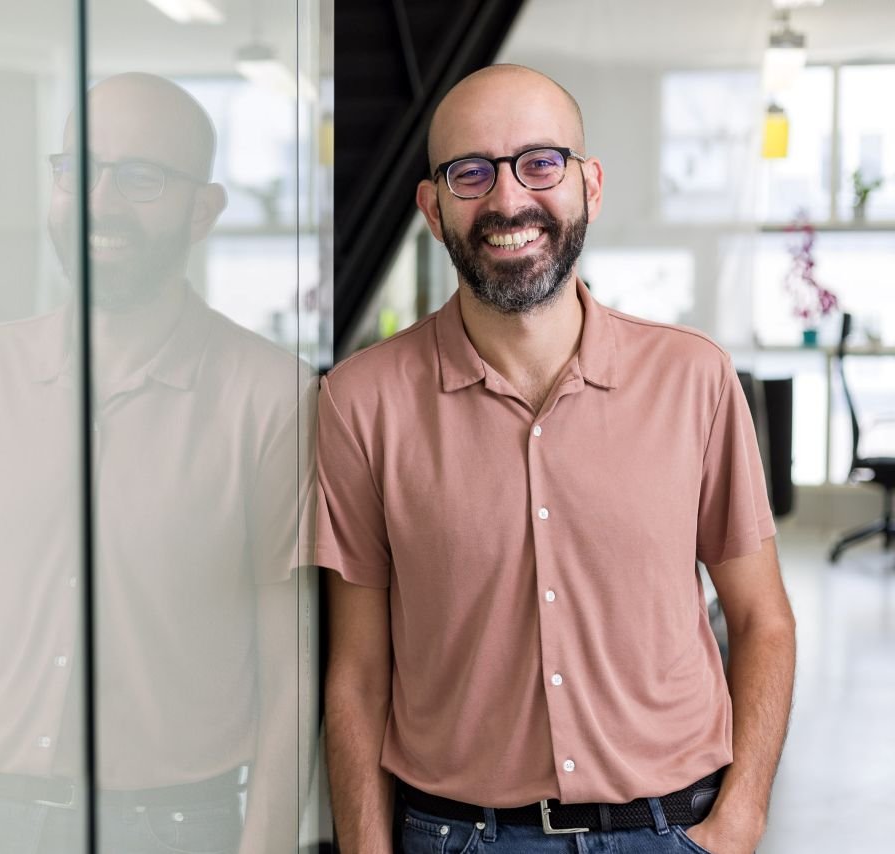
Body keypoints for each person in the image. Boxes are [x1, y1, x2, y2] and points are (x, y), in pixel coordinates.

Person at [317, 64, 796, 854]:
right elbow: (358, 673)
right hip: (459, 836)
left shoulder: (693, 378)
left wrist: (740, 819)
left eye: (540, 163)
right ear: (433, 209)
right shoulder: (360, 401)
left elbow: (762, 619)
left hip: (670, 829)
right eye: (471, 173)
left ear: (589, 186)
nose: (508, 200)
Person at [0, 72, 310, 853]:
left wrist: (265, 842)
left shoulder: (273, 396)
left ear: (203, 211)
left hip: (168, 827)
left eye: (140, 177)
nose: (99, 202)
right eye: (77, 171)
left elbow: (289, 658)